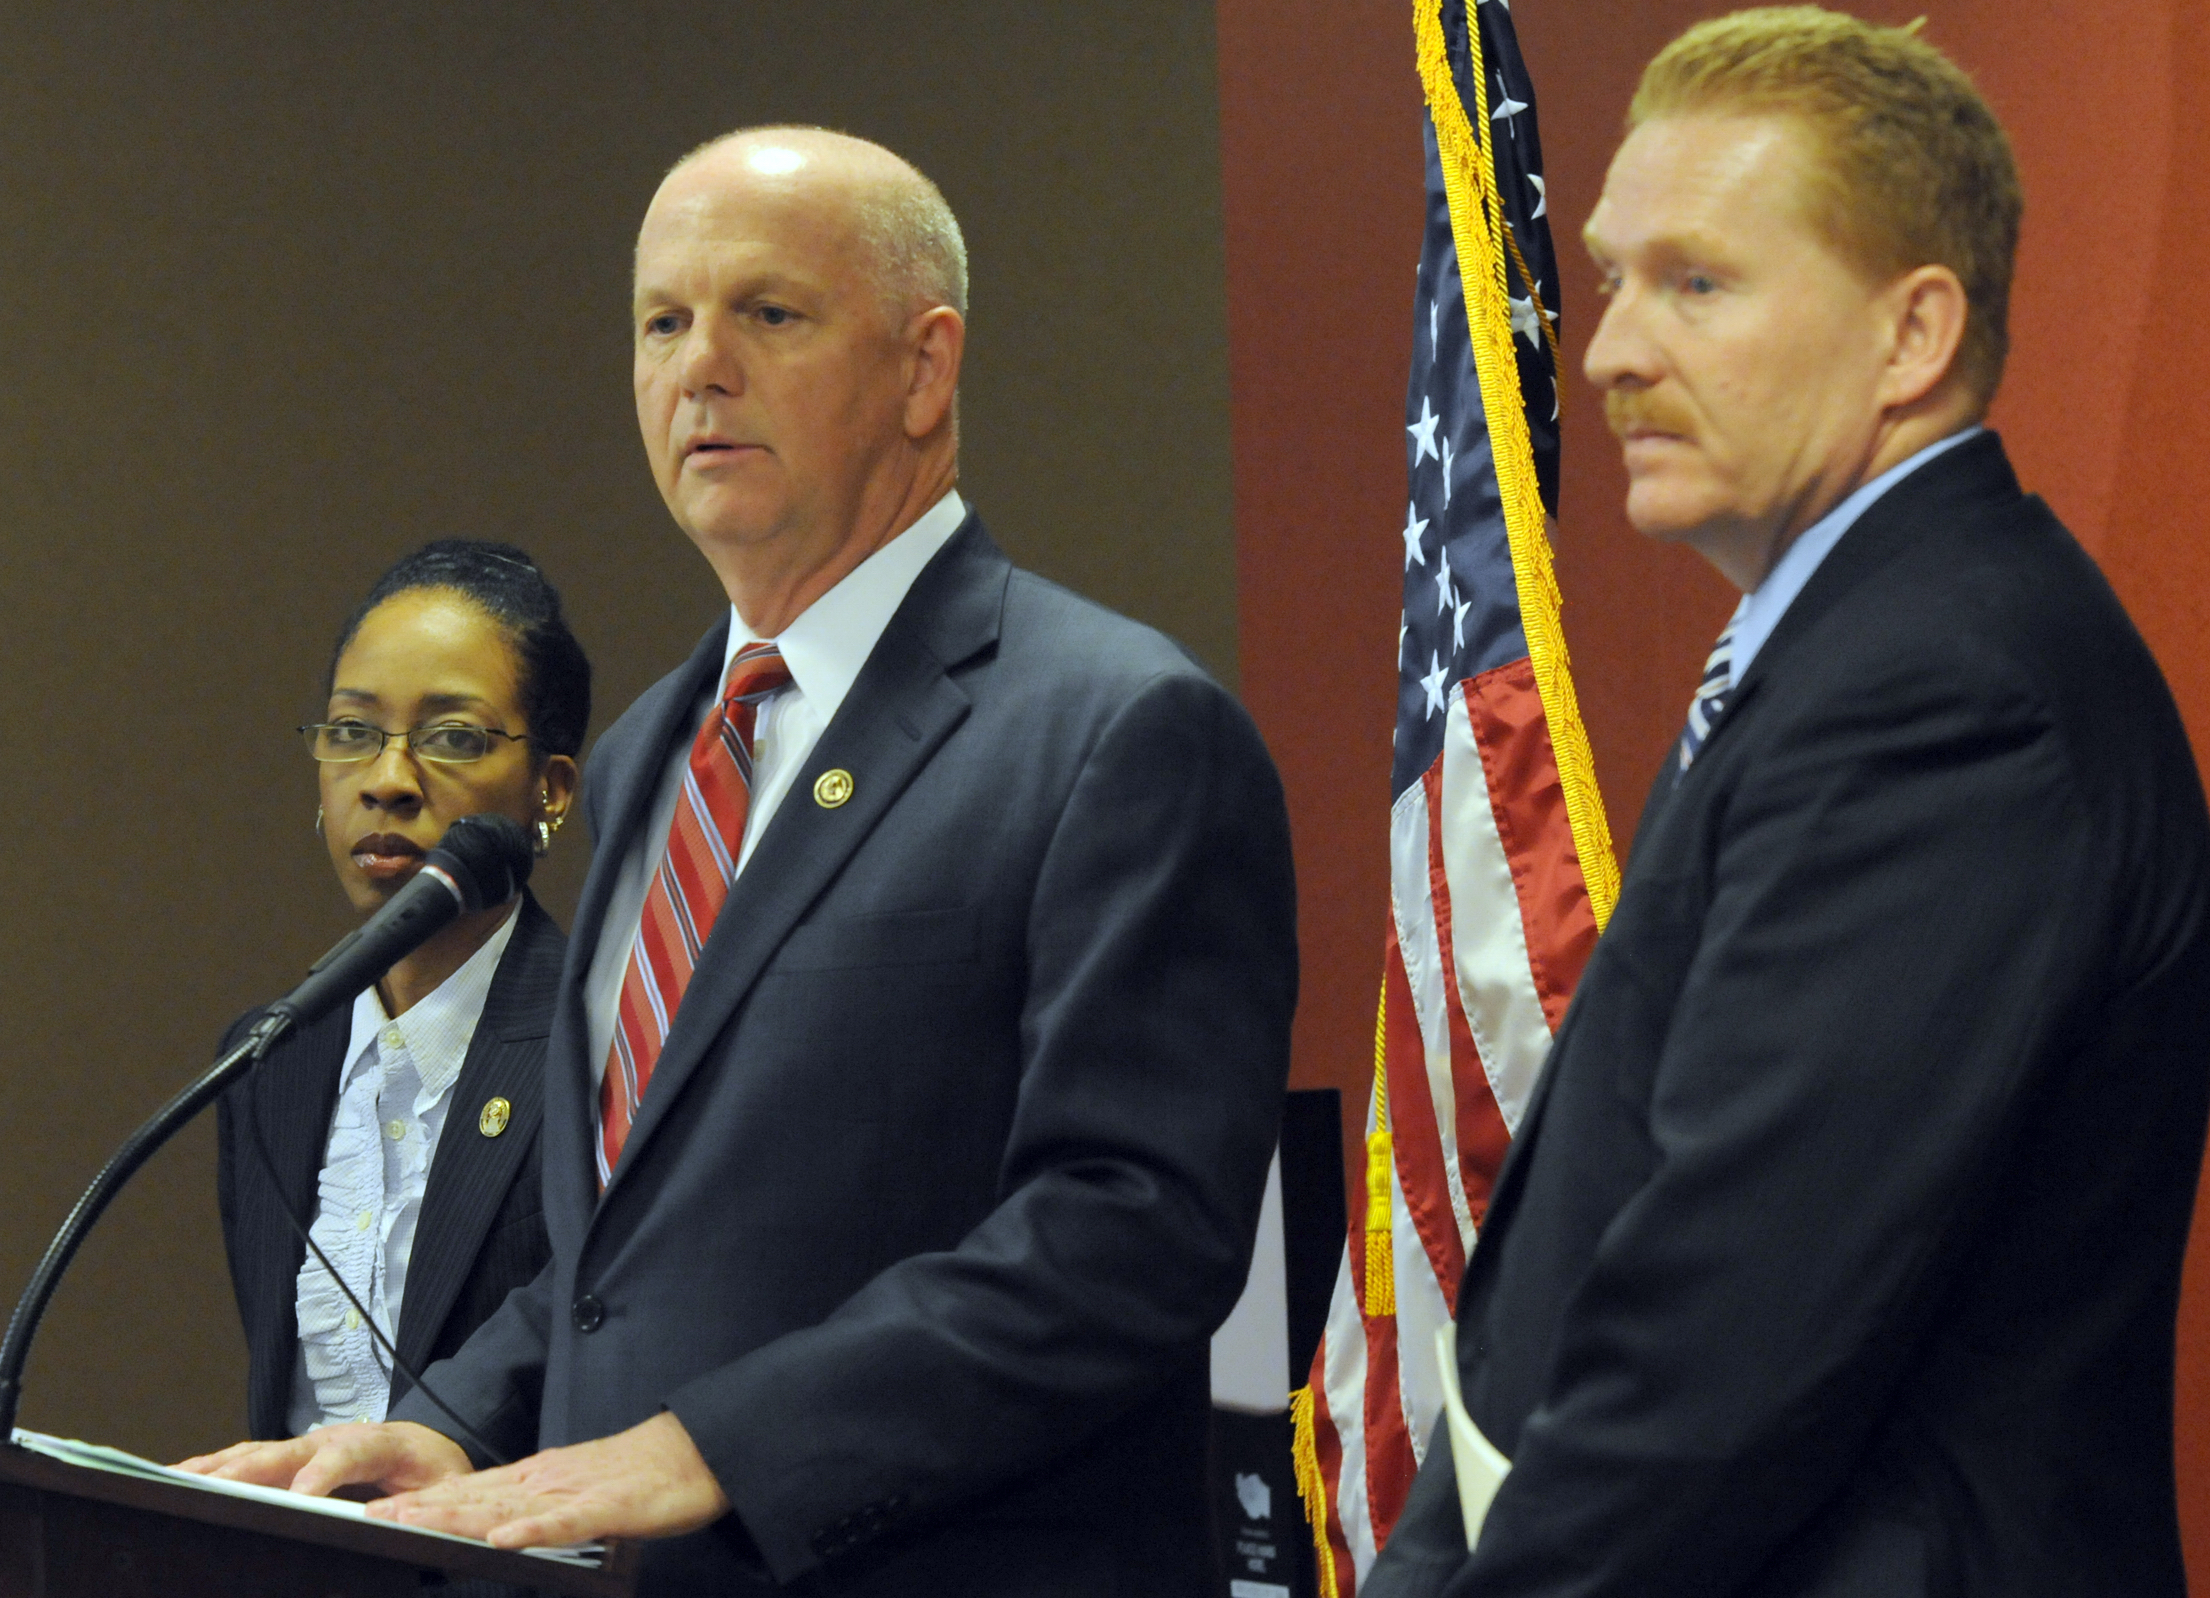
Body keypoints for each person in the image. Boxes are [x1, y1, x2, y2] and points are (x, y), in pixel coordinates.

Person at [185, 128, 1298, 1594]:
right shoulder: (651, 748)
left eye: (767, 314)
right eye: (662, 322)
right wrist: (449, 1422)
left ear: (924, 367)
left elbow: (1133, 1229)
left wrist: (719, 1446)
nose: (698, 368)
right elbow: (626, 1250)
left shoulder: (1114, 726)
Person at [1365, 9, 2210, 1597]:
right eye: (1612, 278)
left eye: (1695, 283)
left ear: (1911, 335)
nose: (1610, 350)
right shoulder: (1863, 646)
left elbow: (1716, 1354)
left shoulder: (1945, 697)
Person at [215, 541, 587, 1451]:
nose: (386, 781)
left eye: (453, 738)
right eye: (352, 732)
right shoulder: (266, 1061)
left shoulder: (603, 1040)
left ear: (550, 790)